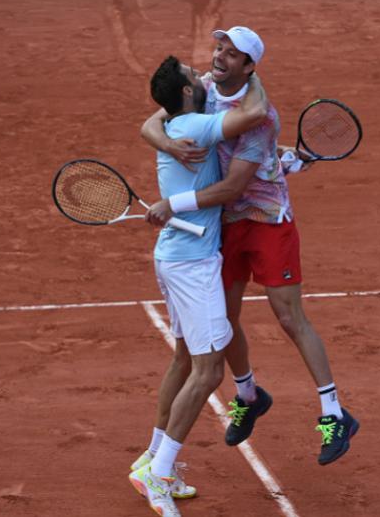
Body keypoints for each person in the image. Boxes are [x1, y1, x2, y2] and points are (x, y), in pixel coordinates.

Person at [141, 26, 359, 466]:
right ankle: (248, 394)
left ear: (248, 66)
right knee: (226, 317)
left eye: (231, 54)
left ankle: (334, 413)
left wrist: (173, 203)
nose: (219, 57)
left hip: (265, 220)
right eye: (219, 48)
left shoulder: (262, 115)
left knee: (287, 316)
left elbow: (235, 183)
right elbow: (149, 121)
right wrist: (167, 142)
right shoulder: (200, 87)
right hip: (225, 225)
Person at [128, 55, 268, 517]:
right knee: (209, 372)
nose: (203, 74)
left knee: (185, 358)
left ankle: (150, 457)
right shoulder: (200, 125)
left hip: (172, 259)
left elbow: (152, 120)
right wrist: (250, 68)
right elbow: (255, 113)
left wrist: (164, 142)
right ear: (187, 92)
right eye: (195, 74)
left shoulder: (176, 120)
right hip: (194, 264)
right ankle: (159, 472)